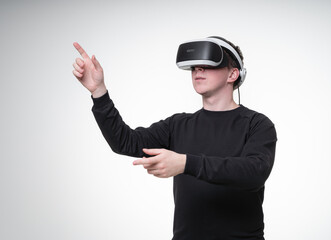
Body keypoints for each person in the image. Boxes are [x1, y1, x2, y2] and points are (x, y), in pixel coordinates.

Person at [72, 36, 277, 240]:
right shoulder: (177, 125)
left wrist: (185, 163)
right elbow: (124, 141)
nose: (198, 70)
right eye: (195, 66)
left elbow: (254, 173)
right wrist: (99, 92)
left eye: (208, 64)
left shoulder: (257, 124)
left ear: (233, 74)